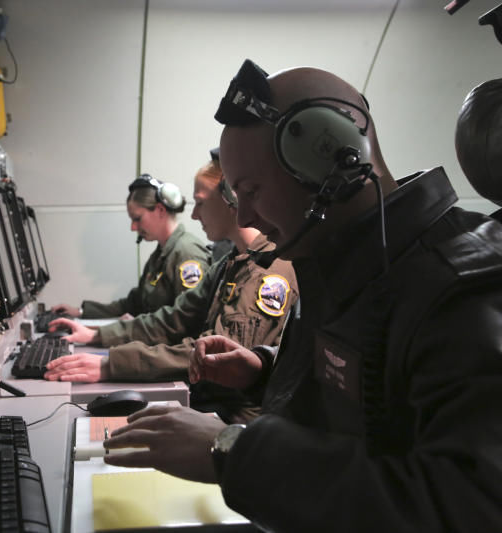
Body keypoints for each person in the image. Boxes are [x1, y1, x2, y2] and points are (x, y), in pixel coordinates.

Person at [102, 60, 502, 532]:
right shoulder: (346, 263)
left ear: (330, 157)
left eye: (251, 190)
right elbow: (372, 395)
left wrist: (232, 449)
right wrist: (264, 369)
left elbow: (466, 508)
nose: (245, 216)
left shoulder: (461, 292)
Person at [44, 159, 298, 421]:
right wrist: (98, 338)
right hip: (210, 403)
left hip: (236, 422)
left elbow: (216, 357)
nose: (195, 214)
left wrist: (112, 364)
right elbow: (171, 320)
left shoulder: (267, 272)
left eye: (200, 202)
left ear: (230, 198)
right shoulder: (230, 263)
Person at [50, 174, 210, 319]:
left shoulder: (187, 255)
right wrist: (81, 312)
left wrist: (134, 327)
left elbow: (188, 322)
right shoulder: (161, 255)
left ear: (160, 210)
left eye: (137, 218)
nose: (133, 227)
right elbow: (134, 303)